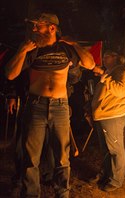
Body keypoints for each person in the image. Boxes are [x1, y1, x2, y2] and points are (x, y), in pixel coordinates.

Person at [5, 12, 95, 198]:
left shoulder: (66, 49)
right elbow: (10, 74)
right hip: (36, 106)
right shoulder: (32, 49)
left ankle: (62, 194)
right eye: (34, 26)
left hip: (60, 107)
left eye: (39, 25)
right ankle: (31, 194)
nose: (35, 29)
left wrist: (76, 44)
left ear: (52, 28)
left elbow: (90, 64)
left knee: (62, 157)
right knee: (31, 159)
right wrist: (22, 50)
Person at [91, 50, 125, 192]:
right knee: (106, 150)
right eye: (104, 56)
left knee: (116, 150)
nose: (103, 58)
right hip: (102, 116)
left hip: (113, 116)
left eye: (107, 56)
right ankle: (107, 175)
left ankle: (116, 181)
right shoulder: (108, 73)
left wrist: (104, 77)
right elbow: (100, 95)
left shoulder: (121, 72)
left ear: (116, 57)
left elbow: (120, 91)